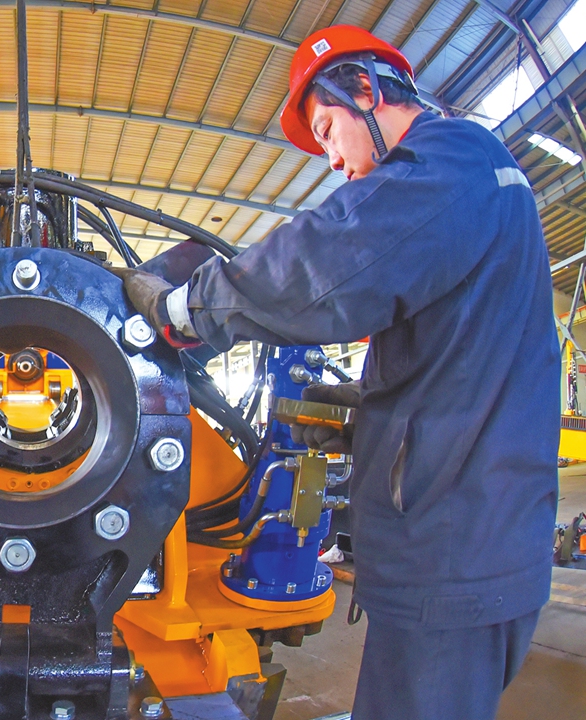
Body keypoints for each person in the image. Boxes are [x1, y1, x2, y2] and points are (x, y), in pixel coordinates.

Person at [117, 25, 558, 720]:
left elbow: (330, 263)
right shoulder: (472, 179)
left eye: (326, 131)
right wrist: (369, 409)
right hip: (464, 544)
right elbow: (460, 356)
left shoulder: (450, 163)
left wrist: (189, 305)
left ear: (365, 89)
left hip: (453, 554)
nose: (331, 161)